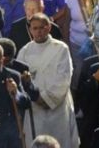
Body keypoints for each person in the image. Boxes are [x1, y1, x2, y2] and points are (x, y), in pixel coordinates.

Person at [16, 13, 79, 147]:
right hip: (35, 110)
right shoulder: (25, 52)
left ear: (49, 27)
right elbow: (20, 80)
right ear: (30, 30)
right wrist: (35, 96)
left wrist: (46, 99)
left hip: (58, 109)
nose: (38, 32)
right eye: (35, 28)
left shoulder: (61, 49)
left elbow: (63, 78)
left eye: (41, 28)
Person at [0, 42, 32, 148]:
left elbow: (26, 102)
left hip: (7, 136)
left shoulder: (12, 76)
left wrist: (16, 93)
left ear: (2, 61)